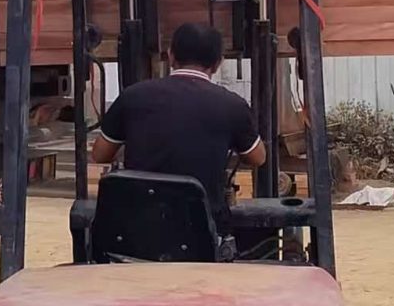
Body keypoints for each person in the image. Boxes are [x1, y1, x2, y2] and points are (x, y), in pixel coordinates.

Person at [92, 22, 266, 231]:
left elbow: (100, 154)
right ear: (218, 63)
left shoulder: (132, 96)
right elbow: (258, 158)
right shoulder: (232, 105)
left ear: (170, 55)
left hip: (138, 228)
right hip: (200, 230)